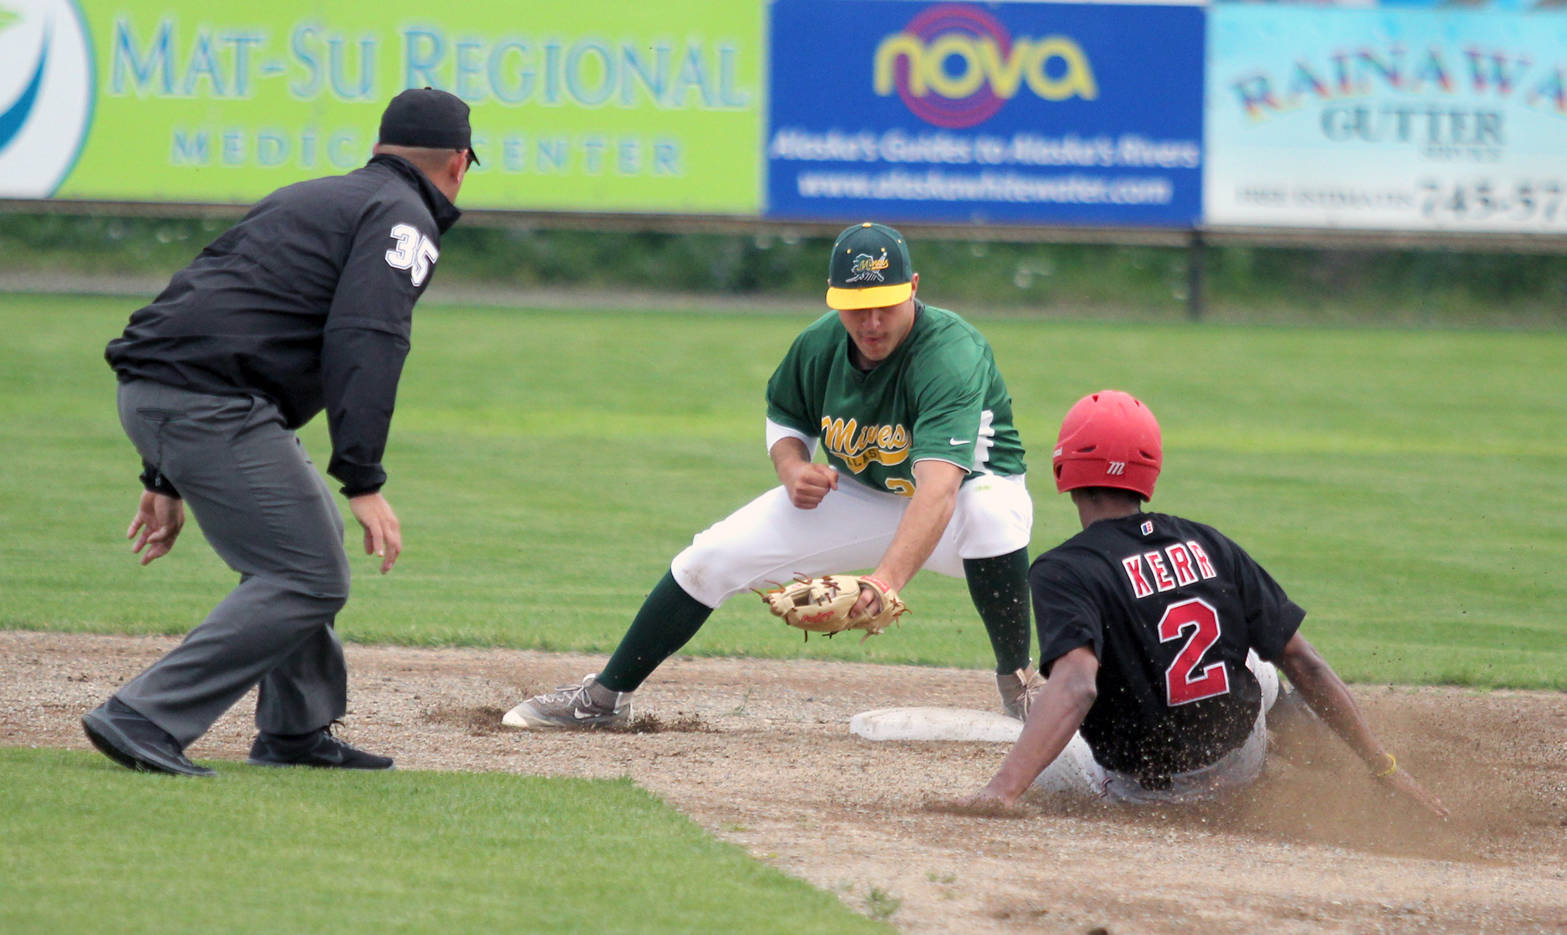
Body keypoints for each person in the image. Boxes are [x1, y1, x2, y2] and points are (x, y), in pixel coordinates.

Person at [81, 88, 478, 777]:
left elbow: (204, 299)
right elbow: (367, 338)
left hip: (167, 390)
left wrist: (162, 472)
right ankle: (143, 715)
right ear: (459, 164)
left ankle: (296, 731)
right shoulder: (404, 217)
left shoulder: (313, 197)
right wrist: (363, 477)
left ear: (380, 148)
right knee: (308, 573)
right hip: (212, 400)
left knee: (304, 553)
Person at [504, 222, 1038, 729]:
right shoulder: (820, 343)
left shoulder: (951, 352)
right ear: (832, 298)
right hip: (862, 492)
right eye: (856, 307)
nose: (872, 322)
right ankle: (603, 698)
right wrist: (793, 468)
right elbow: (785, 416)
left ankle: (1020, 688)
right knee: (710, 557)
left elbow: (940, 488)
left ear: (914, 288)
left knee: (992, 513)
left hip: (962, 499)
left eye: (886, 304)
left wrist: (884, 582)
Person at [959, 390, 1448, 817]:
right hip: (1239, 761)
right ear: (1149, 468)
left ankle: (1044, 787)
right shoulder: (1208, 542)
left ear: (1065, 468)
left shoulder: (1062, 569)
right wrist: (1383, 766)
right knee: (1264, 662)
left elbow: (1077, 686)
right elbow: (1306, 661)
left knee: (1042, 744)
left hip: (1143, 793)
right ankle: (1337, 770)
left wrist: (1000, 792)